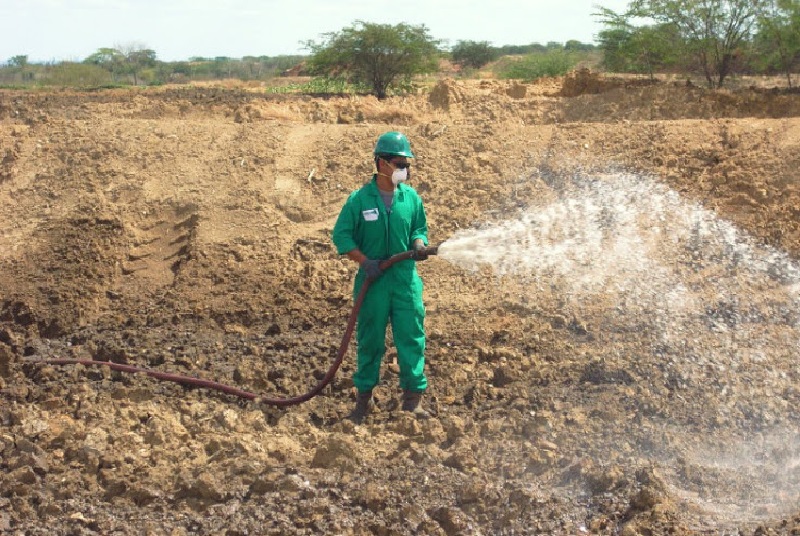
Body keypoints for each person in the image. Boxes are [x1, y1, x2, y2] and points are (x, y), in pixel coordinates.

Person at [332, 131, 431, 423]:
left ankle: (413, 401)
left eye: (406, 163)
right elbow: (342, 235)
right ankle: (363, 402)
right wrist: (364, 262)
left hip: (405, 281)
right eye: (399, 162)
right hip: (372, 283)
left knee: (411, 338)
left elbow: (419, 229)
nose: (405, 169)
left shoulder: (411, 199)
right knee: (370, 339)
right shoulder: (359, 200)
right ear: (381, 163)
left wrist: (418, 244)